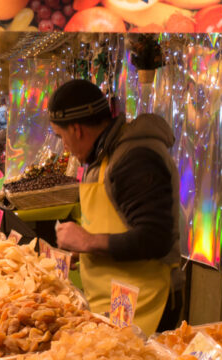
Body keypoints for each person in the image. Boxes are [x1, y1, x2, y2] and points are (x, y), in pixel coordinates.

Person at [49, 79, 183, 335]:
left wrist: (89, 242)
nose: (63, 147)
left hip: (145, 300)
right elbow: (121, 222)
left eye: (61, 137)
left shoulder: (134, 157)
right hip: (121, 297)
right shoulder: (104, 155)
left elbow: (156, 238)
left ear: (76, 129)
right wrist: (85, 251)